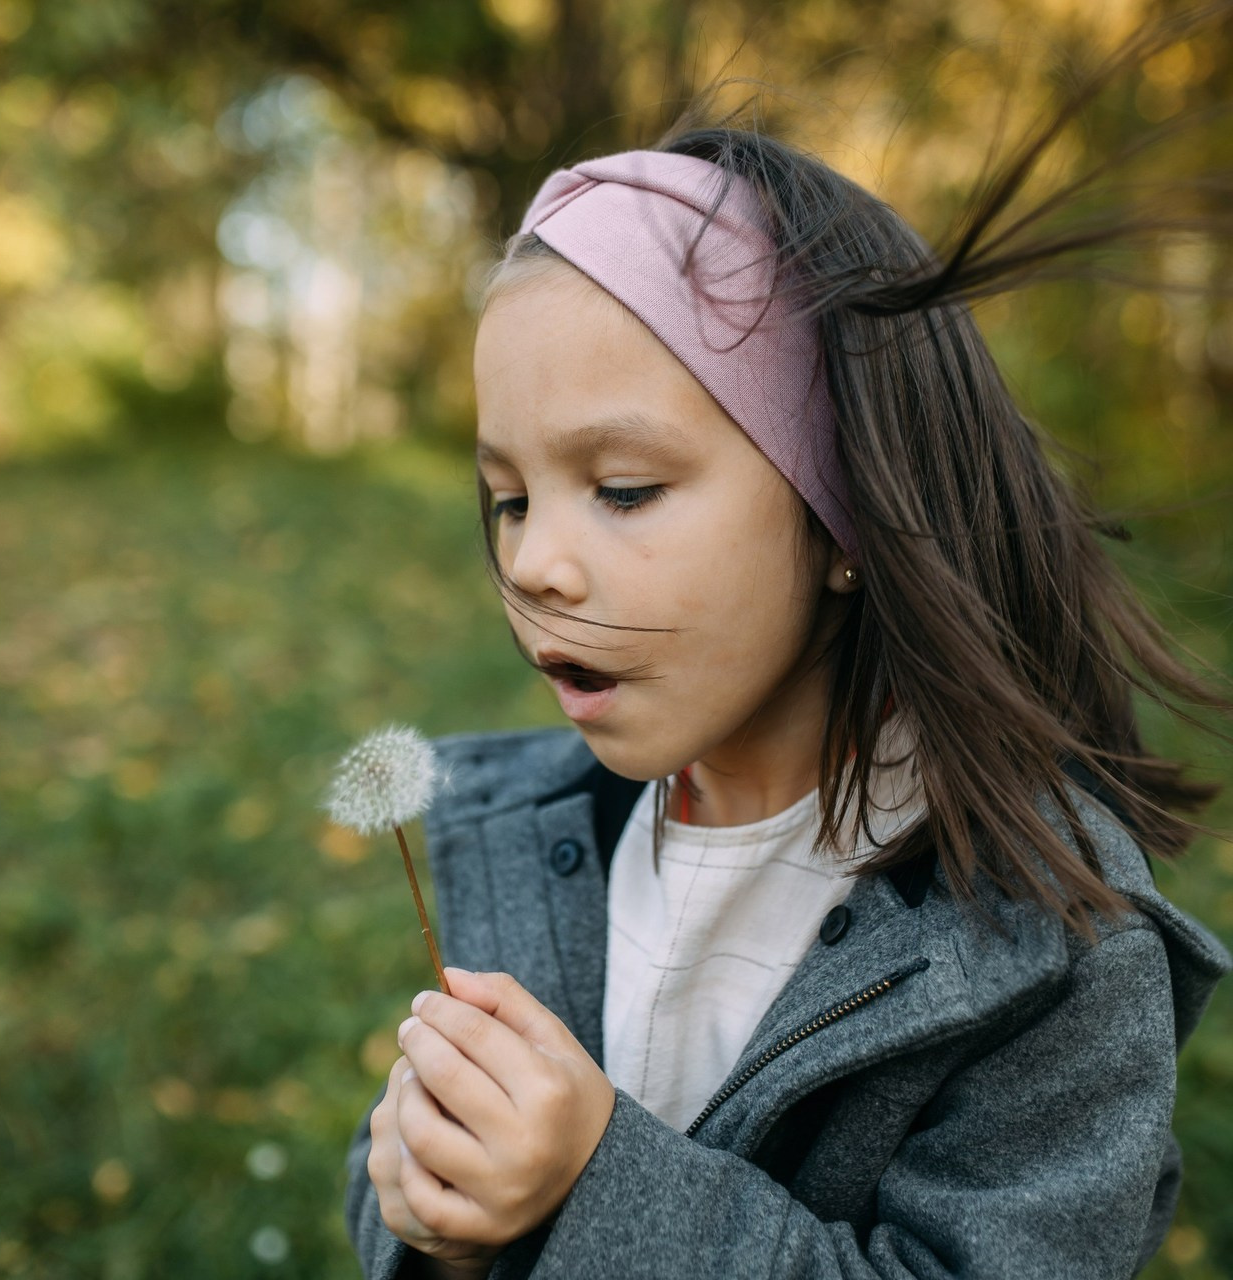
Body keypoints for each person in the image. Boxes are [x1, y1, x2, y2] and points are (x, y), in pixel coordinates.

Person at [344, 33, 1232, 1280]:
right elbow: (409, 1190)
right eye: (507, 498)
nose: (536, 559)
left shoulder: (1050, 954)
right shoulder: (539, 840)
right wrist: (430, 1220)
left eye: (624, 486)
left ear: (843, 517)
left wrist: (596, 1184)